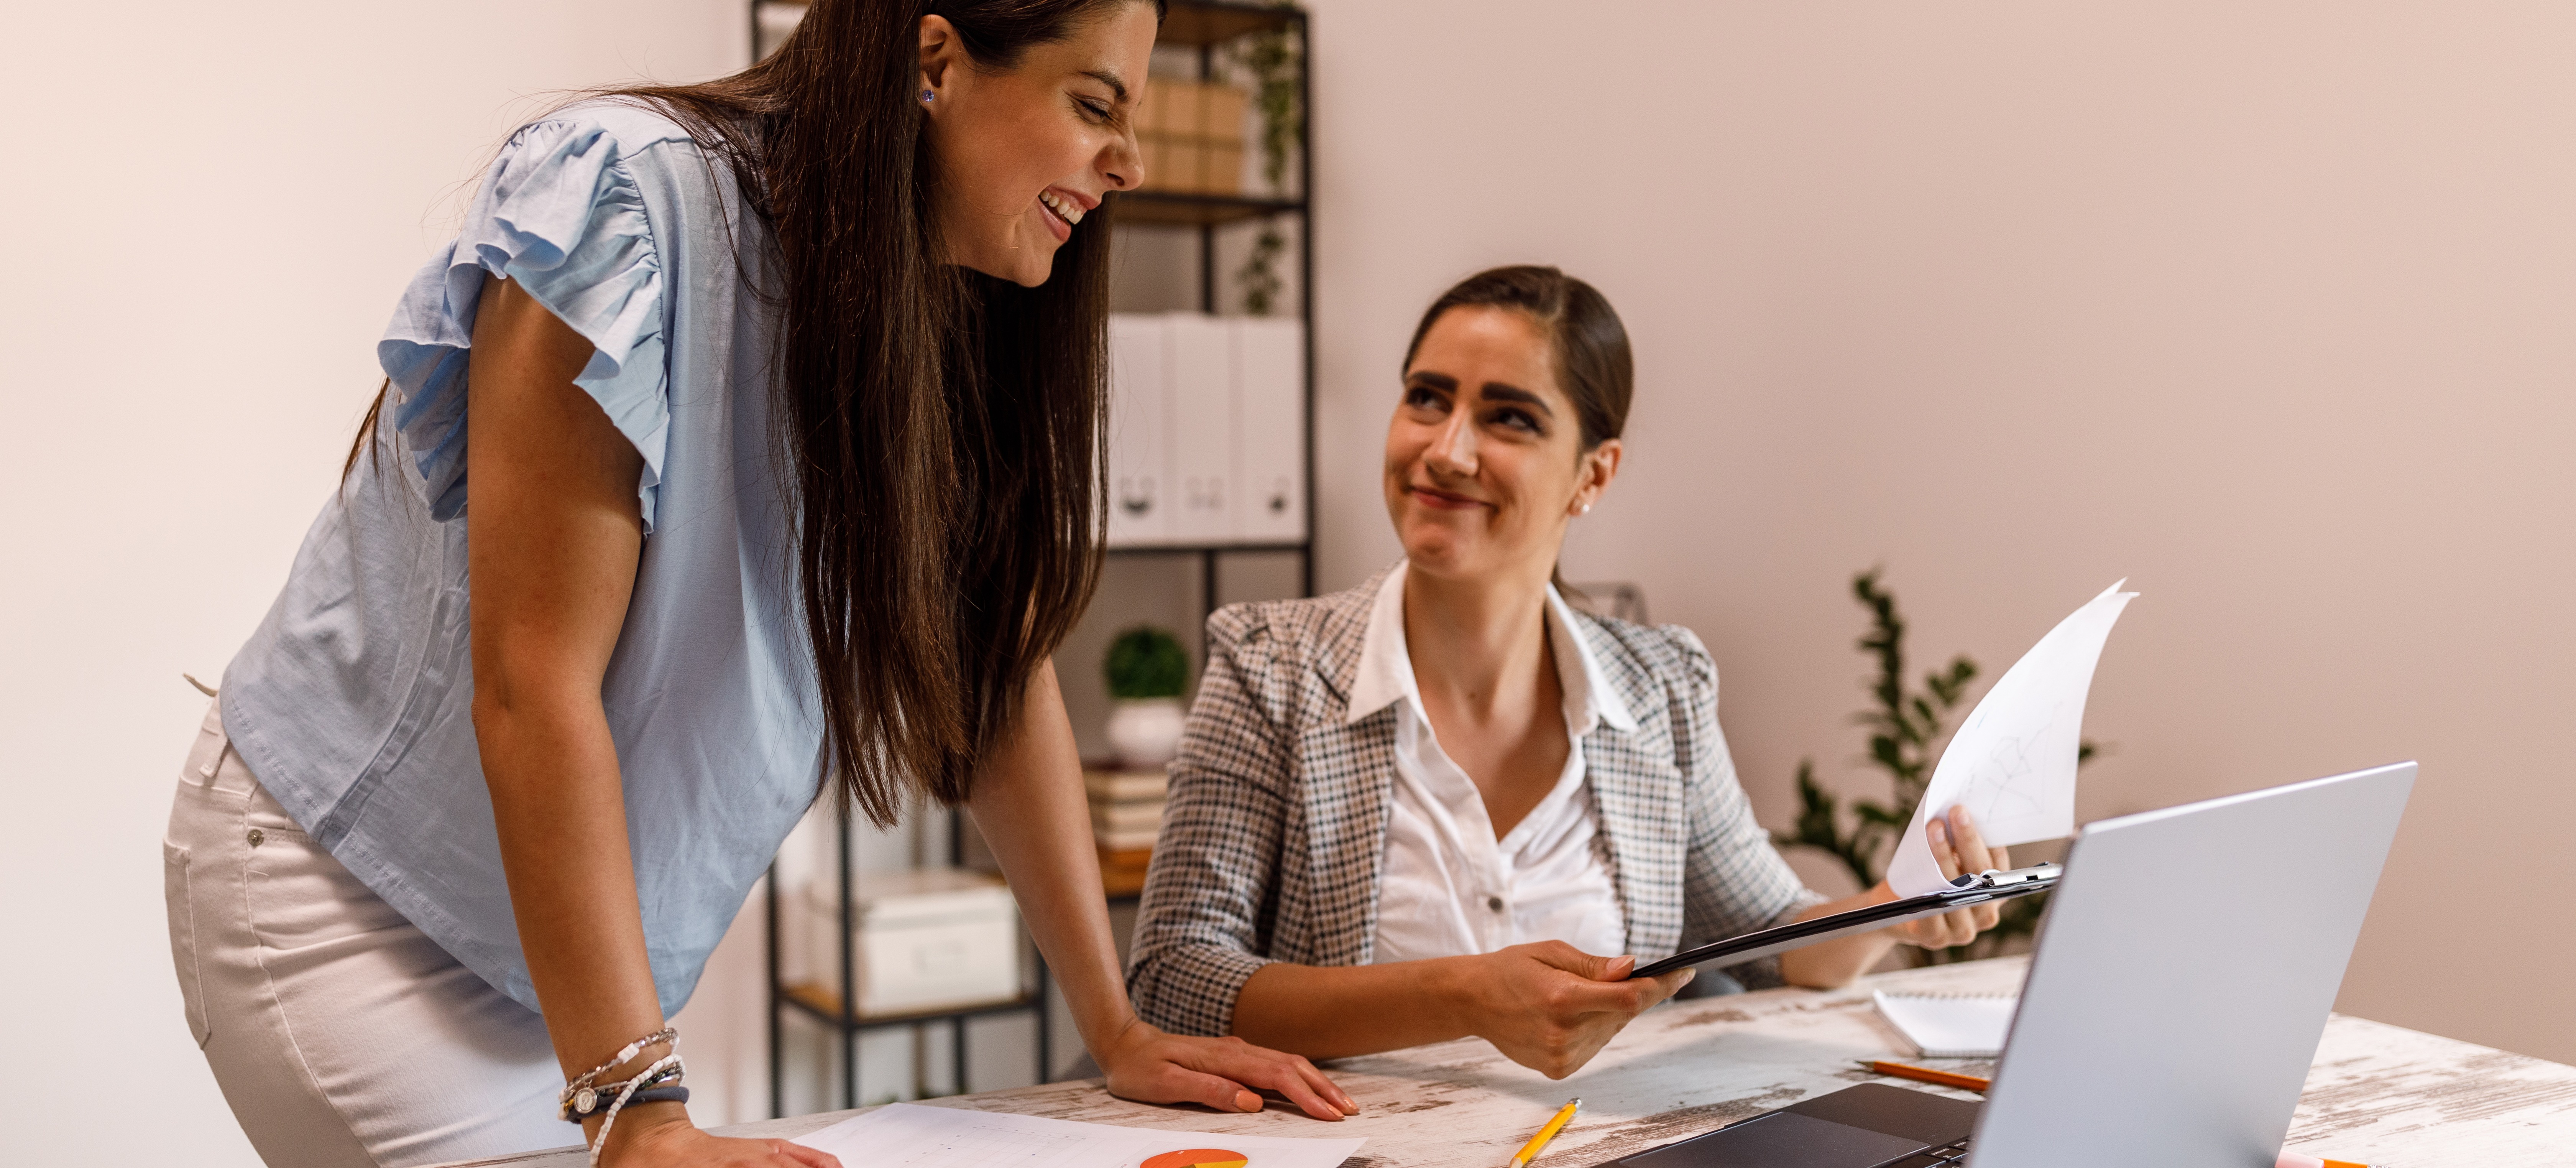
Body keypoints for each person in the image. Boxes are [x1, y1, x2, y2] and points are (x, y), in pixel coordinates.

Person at [159, 4, 1354, 1166]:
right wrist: (637, 1107)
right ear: (934, 57)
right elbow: (533, 680)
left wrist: (1119, 1027)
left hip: (564, 967)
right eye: (1096, 103)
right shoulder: (632, 200)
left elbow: (995, 669)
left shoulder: (948, 299)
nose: (1130, 162)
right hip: (354, 898)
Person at [1124, 266, 2011, 1078]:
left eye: (1509, 416)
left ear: (1595, 473)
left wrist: (1893, 905)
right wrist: (1462, 995)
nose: (1447, 449)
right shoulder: (1270, 666)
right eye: (1427, 399)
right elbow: (1176, 974)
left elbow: (1768, 939)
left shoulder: (1662, 688)